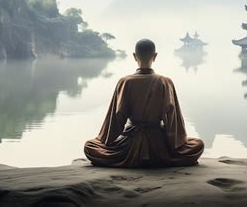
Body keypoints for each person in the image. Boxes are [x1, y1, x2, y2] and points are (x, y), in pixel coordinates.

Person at [84, 38, 204, 167]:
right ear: (155, 56)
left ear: (135, 56)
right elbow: (174, 122)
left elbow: (115, 120)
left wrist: (106, 141)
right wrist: (175, 145)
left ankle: (132, 158)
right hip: (158, 144)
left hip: (129, 143)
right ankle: (159, 159)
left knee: (89, 146)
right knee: (198, 144)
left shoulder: (125, 82)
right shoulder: (165, 82)